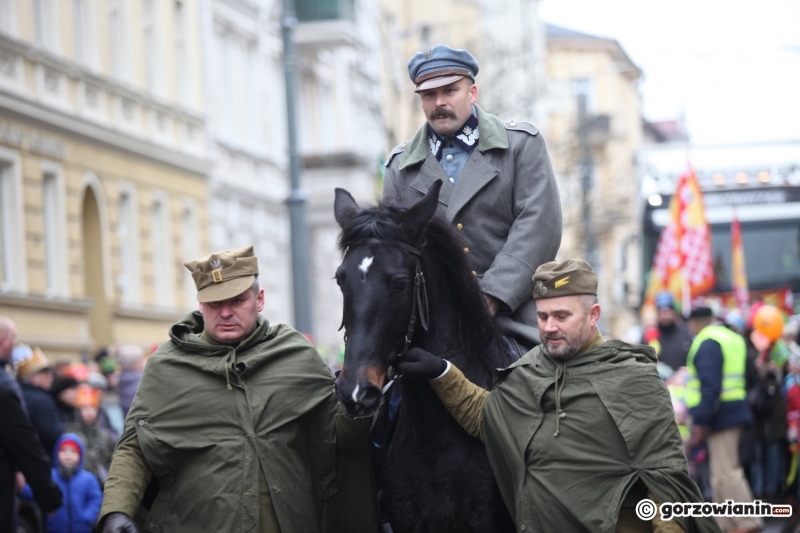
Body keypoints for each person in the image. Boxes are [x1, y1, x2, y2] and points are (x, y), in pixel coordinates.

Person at [397, 260, 719, 532]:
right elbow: (488, 418)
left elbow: (664, 485)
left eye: (562, 316)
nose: (549, 327)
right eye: (542, 316)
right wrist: (441, 372)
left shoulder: (633, 379)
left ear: (593, 315)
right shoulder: (527, 371)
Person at [100, 245, 379, 533]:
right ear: (200, 305)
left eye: (237, 300)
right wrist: (116, 510)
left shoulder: (297, 355)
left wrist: (358, 402)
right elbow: (135, 447)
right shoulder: (167, 365)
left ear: (259, 300)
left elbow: (343, 440)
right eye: (214, 303)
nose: (226, 313)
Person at [382, 44, 562, 356]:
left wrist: (492, 294)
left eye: (450, 90)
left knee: (564, 392)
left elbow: (539, 227)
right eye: (428, 95)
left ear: (472, 92)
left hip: (515, 317)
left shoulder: (521, 146)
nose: (439, 102)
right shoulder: (400, 168)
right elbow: (391, 254)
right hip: (432, 327)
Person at [686, 307, 761, 533]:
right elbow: (750, 378)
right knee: (720, 473)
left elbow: (710, 385)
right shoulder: (732, 338)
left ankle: (748, 521)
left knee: (727, 471)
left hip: (721, 414)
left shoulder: (707, 341)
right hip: (734, 409)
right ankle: (725, 523)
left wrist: (700, 420)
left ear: (694, 324)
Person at [0, 316, 63, 532]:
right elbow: (26, 445)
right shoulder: (4, 389)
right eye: (14, 338)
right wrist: (49, 497)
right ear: (3, 340)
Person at [20, 434, 103, 533]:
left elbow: (96, 499)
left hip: (82, 529)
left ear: (80, 455)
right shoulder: (49, 476)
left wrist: (88, 517)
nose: (68, 455)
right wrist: (20, 487)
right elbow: (36, 492)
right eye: (63, 450)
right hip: (53, 529)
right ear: (56, 453)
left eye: (73, 451)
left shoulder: (89, 479)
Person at [17, 347, 64, 456]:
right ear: (34, 377)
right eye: (46, 373)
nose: (51, 377)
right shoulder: (43, 400)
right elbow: (54, 433)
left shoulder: (15, 394)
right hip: (41, 456)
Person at [66, 385, 116, 484]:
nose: (89, 412)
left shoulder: (104, 435)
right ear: (78, 412)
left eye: (93, 408)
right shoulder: (70, 434)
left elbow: (110, 461)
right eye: (85, 408)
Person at [654, 291, 694, 370]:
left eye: (667, 311)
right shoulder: (650, 335)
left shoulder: (686, 333)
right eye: (662, 311)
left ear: (673, 311)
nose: (665, 315)